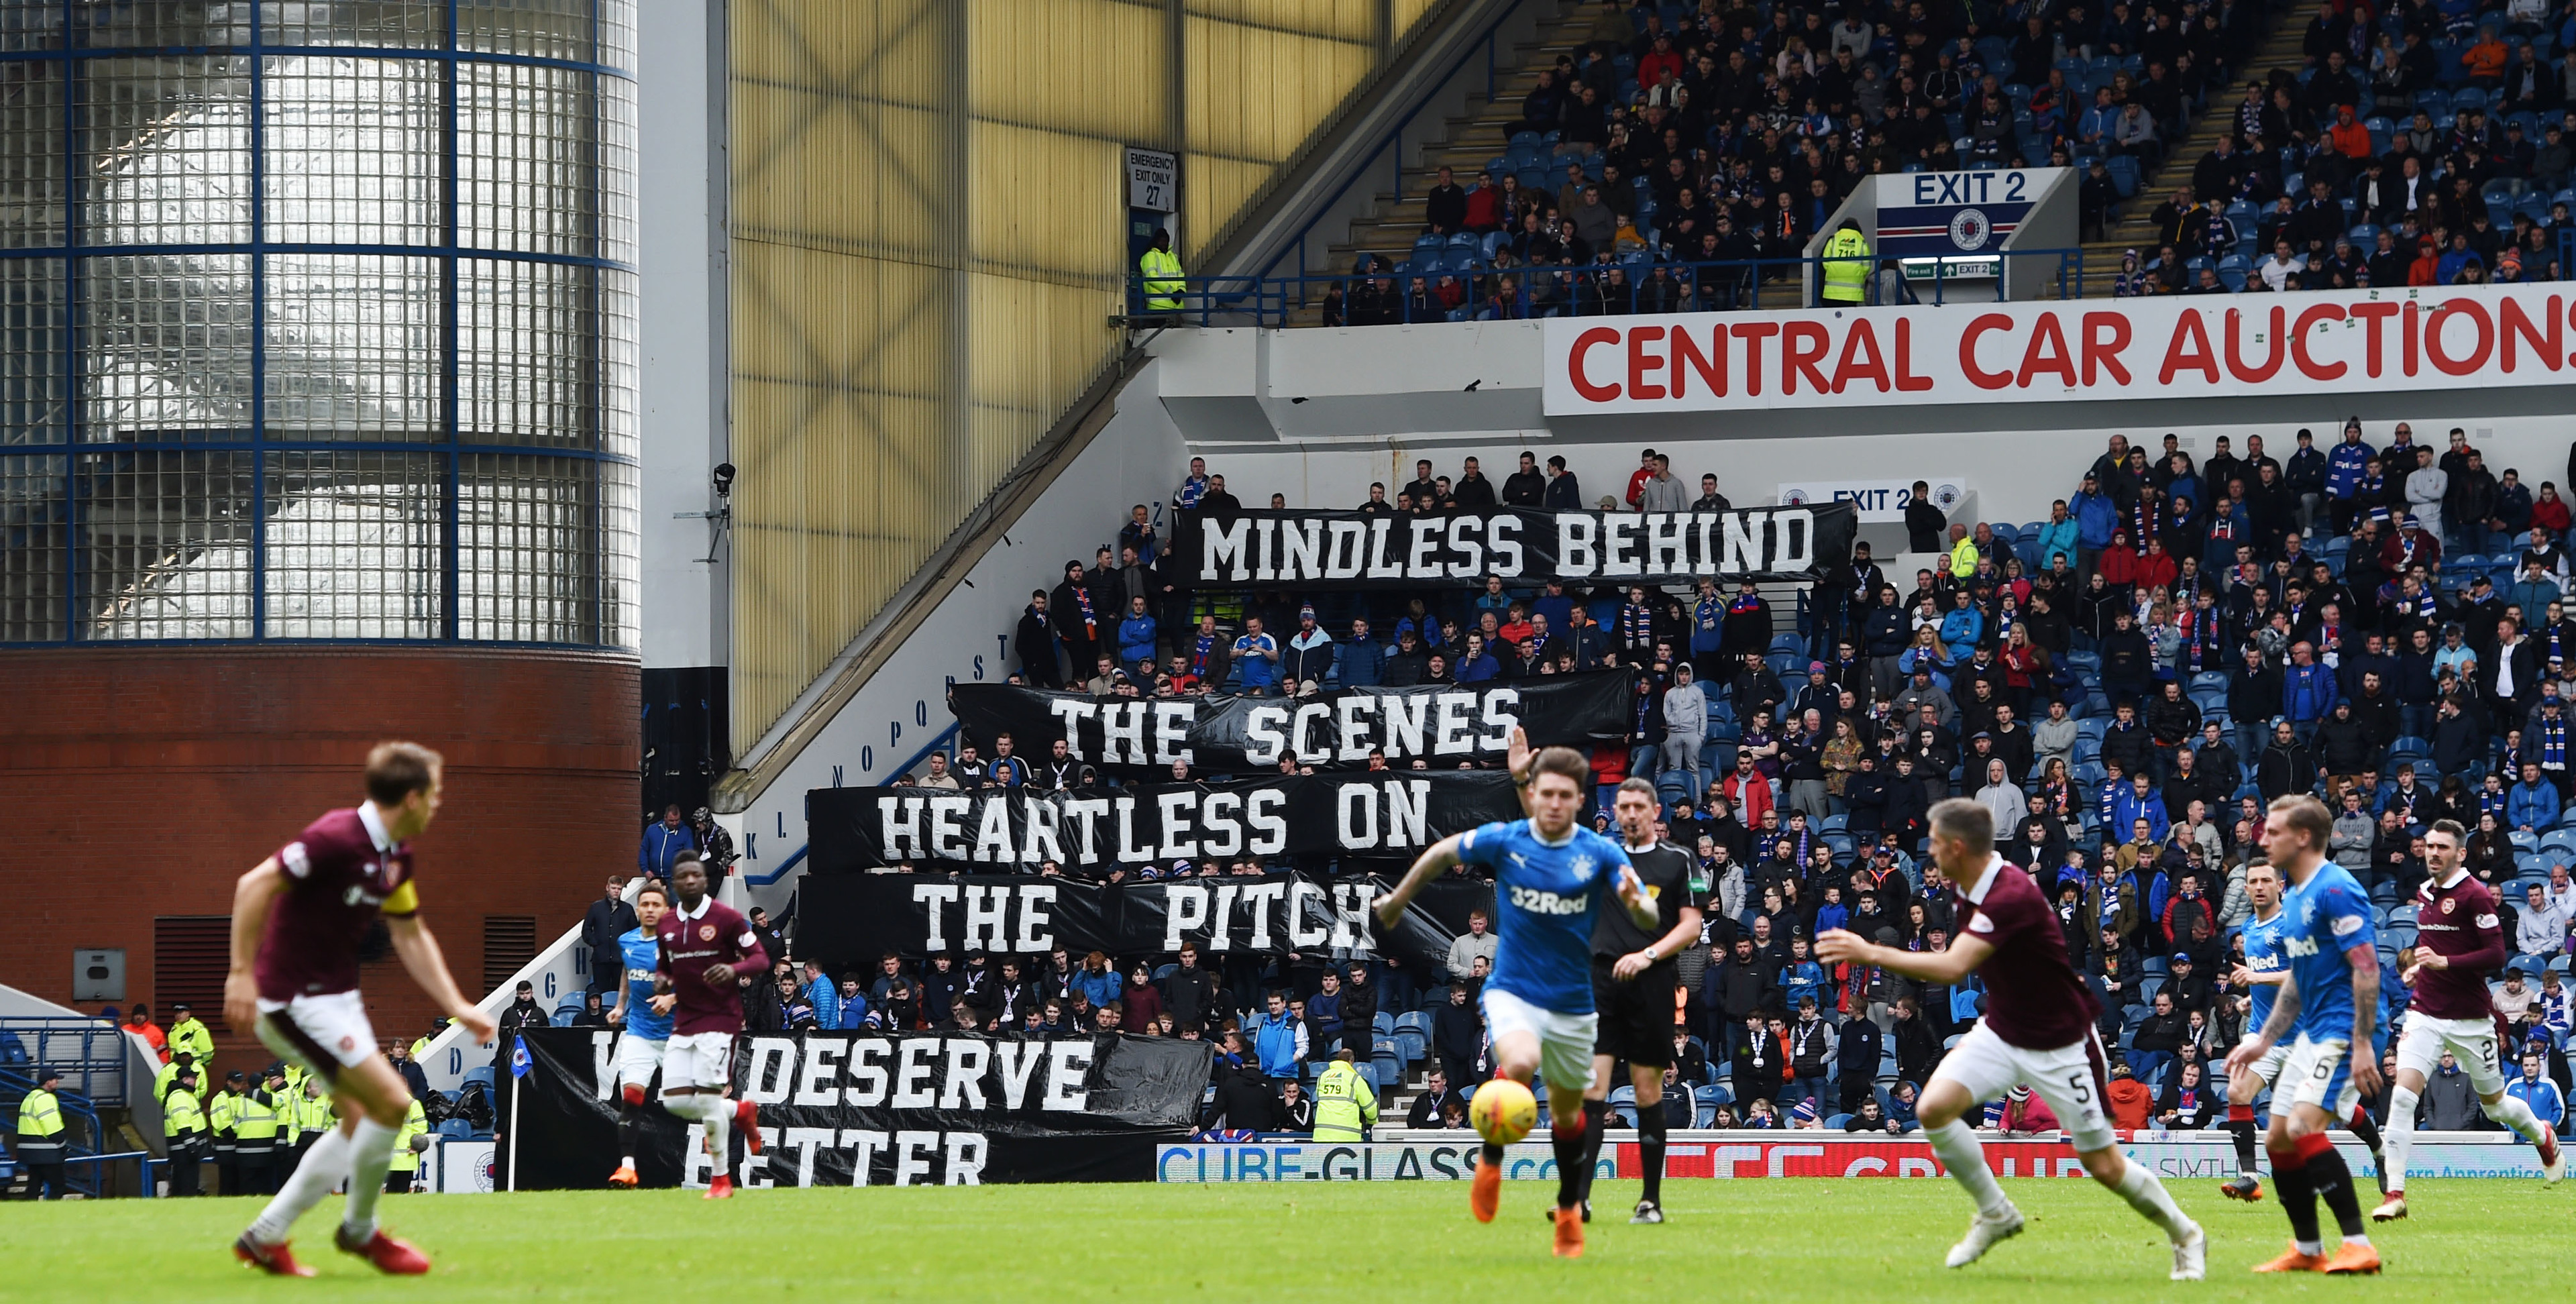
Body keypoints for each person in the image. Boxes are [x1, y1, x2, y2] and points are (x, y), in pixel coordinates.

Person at [1817, 799, 2205, 1281]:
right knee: (1934, 1108)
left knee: (2103, 1163)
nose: (1930, 852)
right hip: (2003, 1028)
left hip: (2060, 1038)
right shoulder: (1967, 885)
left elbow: (1954, 965)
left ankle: (2186, 1233)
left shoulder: (2010, 893)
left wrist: (1870, 950)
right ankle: (1996, 1211)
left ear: (1958, 847)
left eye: (1936, 843)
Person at [1371, 728, 1657, 1259]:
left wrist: (1640, 907)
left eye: (1564, 795)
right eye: (1543, 792)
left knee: (1570, 1114)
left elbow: (1642, 903)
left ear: (1578, 799)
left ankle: (1569, 1210)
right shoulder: (1508, 839)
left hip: (1574, 1000)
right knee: (1520, 1064)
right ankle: (1491, 1162)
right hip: (1514, 989)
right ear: (1533, 794)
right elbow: (1440, 852)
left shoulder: (1597, 851)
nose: (1553, 802)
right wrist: (1399, 900)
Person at [228, 742, 497, 1277]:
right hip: (291, 1000)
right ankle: (359, 1231)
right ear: (414, 797)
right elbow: (254, 884)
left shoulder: (396, 854)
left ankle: (265, 1236)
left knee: (360, 1120)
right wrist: (240, 971)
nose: (438, 806)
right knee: (393, 1103)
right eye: (436, 795)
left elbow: (411, 934)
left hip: (337, 1001)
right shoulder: (336, 837)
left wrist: (456, 1004)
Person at [2373, 819, 2565, 1220]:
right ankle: (2394, 1195)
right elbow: (2434, 944)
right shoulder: (2424, 892)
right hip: (2425, 1012)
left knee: (2495, 1106)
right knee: (2403, 1098)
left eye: (2443, 847)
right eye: (2429, 846)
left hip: (2471, 1018)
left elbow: (2497, 955)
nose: (2433, 853)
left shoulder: (2475, 895)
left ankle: (2542, 1135)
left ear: (2461, 853)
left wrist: (2446, 963)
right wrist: (2420, 968)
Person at [2224, 795, 2384, 1274]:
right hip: (2308, 1031)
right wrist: (2264, 1038)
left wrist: (2361, 1043)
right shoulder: (2292, 899)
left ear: (2303, 837)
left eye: (2272, 832)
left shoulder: (2336, 890)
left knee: (2300, 1128)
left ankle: (2358, 1244)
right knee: (2277, 1139)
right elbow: (2297, 980)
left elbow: (2368, 968)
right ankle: (2309, 1249)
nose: (2263, 838)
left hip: (2340, 1029)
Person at [1572, 778, 1706, 1226]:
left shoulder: (1680, 860)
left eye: (1637, 806)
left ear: (1654, 812)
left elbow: (1692, 927)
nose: (1629, 813)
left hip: (1651, 984)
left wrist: (1647, 954)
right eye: (1622, 806)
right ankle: (1579, 1200)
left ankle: (1650, 1201)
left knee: (1648, 1092)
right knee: (1592, 1090)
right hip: (1601, 983)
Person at [653, 853, 770, 1200]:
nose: (689, 881)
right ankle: (740, 1110)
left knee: (706, 1097)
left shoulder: (727, 918)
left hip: (721, 1020)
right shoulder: (667, 924)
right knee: (673, 1101)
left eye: (695, 875)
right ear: (674, 883)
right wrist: (662, 982)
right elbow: (664, 967)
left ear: (705, 880)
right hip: (685, 1019)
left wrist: (734, 970)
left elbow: (761, 958)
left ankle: (721, 1181)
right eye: (683, 876)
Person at [2218, 860, 2293, 1199]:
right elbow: (2271, 975)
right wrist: (2252, 996)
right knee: (2237, 1092)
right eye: (2254, 882)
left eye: (2267, 880)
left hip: (2303, 1035)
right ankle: (2250, 1177)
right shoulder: (2249, 927)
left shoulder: (2292, 924)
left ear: (2281, 886)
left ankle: (2378, 1149)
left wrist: (2257, 978)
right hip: (2265, 1033)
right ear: (2245, 889)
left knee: (2342, 1110)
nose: (2260, 886)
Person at [604, 880, 675, 1188]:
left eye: (655, 904)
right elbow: (628, 973)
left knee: (690, 1103)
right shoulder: (627, 941)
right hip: (640, 1032)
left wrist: (672, 998)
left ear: (667, 910)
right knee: (631, 1096)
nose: (649, 909)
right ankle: (628, 1167)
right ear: (637, 909)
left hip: (679, 1035)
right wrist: (620, 1006)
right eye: (644, 904)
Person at [13, 1066, 68, 1199]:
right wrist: (63, 1147)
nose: (57, 1083)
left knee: (34, 1187)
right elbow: (53, 1129)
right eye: (55, 1080)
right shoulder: (46, 1099)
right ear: (48, 1082)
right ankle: (49, 1214)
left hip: (28, 1151)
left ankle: (29, 1215)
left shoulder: (29, 1098)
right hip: (46, 1152)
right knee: (58, 1186)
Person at [582, 876, 637, 995]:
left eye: (619, 888)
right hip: (600, 960)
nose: (616, 891)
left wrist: (626, 948)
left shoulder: (628, 909)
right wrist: (595, 943)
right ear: (607, 888)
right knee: (600, 994)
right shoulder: (596, 907)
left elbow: (635, 932)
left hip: (621, 961)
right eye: (613, 888)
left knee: (620, 993)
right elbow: (586, 930)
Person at [1311, 1048, 1379, 1142]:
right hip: (1347, 1136)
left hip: (1322, 1135)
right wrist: (1372, 1121)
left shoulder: (1323, 1077)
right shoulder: (1355, 1079)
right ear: (1351, 1061)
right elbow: (1370, 1107)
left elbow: (1319, 1097)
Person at [164, 1065, 209, 1197]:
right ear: (184, 1079)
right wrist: (192, 1147)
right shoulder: (180, 1097)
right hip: (185, 1152)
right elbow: (183, 1125)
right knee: (187, 1187)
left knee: (185, 1186)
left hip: (184, 1151)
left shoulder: (185, 1095)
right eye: (193, 1078)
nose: (196, 1080)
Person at [1820, 219, 1870, 305]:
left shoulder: (1833, 239)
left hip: (1832, 291)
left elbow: (1825, 261)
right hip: (1852, 293)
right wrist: (1858, 273)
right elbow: (1866, 266)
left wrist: (1832, 270)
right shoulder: (1862, 242)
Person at [1138, 227, 1184, 316]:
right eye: (1161, 241)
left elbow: (1181, 275)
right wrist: (1172, 293)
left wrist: (1181, 290)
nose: (1164, 243)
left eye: (1166, 241)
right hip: (1158, 307)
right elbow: (1152, 277)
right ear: (1156, 241)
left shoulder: (1173, 257)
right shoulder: (1150, 256)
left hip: (1176, 306)